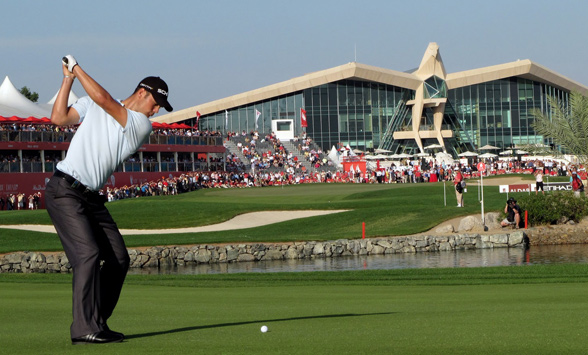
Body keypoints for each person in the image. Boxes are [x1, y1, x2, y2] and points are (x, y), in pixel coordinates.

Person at [45, 55, 172, 345]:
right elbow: (58, 118)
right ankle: (83, 329)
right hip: (64, 190)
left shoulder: (140, 125)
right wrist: (68, 78)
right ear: (143, 93)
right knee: (88, 255)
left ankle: (96, 322)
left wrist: (77, 68)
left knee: (118, 259)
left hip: (91, 198)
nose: (155, 111)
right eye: (155, 104)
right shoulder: (93, 104)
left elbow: (103, 99)